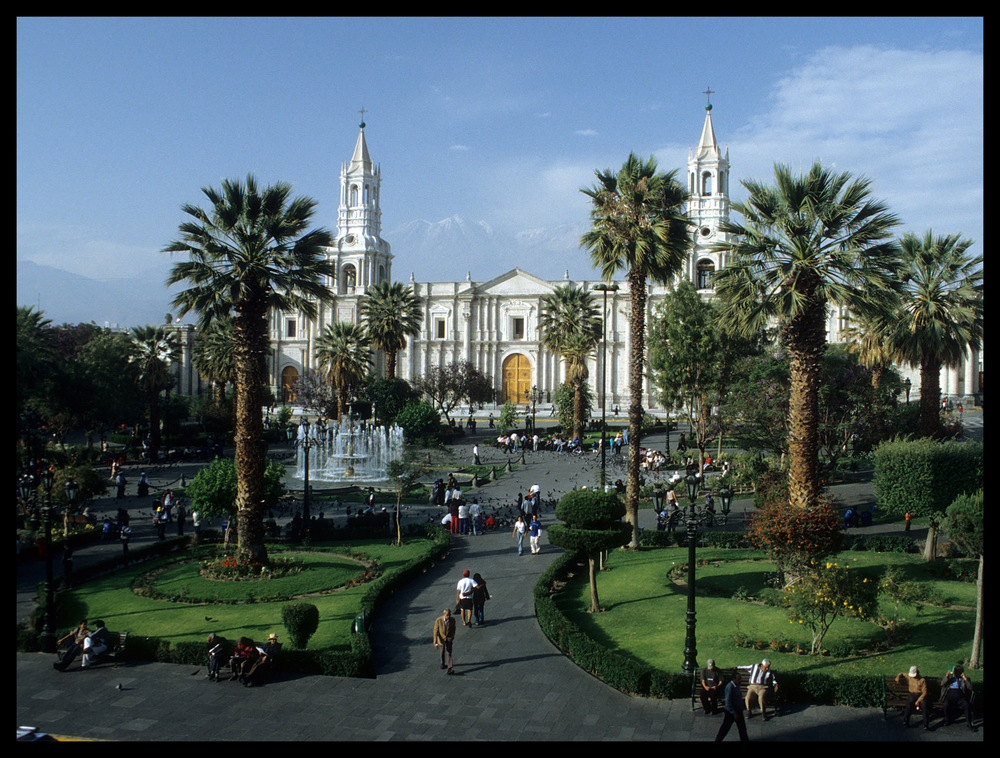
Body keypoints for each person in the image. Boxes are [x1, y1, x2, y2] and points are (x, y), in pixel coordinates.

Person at [715, 669, 750, 742]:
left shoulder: (737, 685)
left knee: (742, 729)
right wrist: (734, 713)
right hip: (731, 712)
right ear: (734, 679)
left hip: (738, 710)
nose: (740, 680)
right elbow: (728, 702)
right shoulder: (730, 687)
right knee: (725, 728)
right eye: (738, 679)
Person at [939, 664, 975, 729]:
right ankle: (947, 720)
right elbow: (942, 684)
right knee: (945, 705)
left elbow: (970, 687)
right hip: (951, 694)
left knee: (966, 705)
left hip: (960, 695)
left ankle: (968, 723)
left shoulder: (964, 679)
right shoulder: (950, 678)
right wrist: (946, 676)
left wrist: (965, 678)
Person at [895, 666, 930, 730]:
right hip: (912, 694)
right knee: (909, 704)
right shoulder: (909, 676)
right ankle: (906, 721)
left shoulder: (922, 680)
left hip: (921, 695)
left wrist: (918, 701)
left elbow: (925, 692)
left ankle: (926, 724)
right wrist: (898, 676)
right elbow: (902, 673)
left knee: (924, 706)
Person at [433, 608, 456, 674]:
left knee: (449, 652)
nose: (448, 617)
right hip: (441, 639)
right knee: (442, 651)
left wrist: (451, 637)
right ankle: (442, 663)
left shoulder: (452, 620)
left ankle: (449, 667)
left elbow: (453, 629)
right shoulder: (439, 620)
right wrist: (435, 640)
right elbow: (435, 630)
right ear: (444, 614)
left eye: (449, 615)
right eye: (447, 615)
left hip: (448, 639)